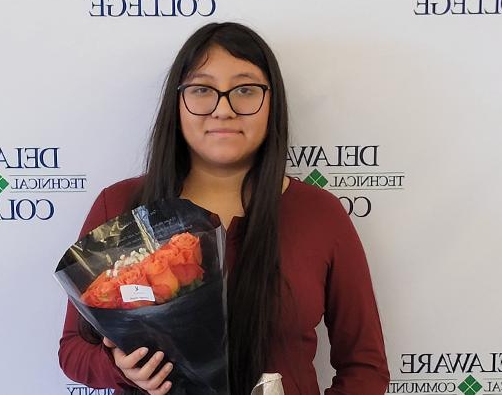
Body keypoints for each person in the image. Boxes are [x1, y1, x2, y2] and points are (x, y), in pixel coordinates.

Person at [58, 22, 390, 395]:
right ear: (177, 101)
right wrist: (119, 369)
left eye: (245, 90)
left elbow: (365, 366)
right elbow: (73, 349)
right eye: (202, 90)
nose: (223, 110)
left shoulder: (320, 215)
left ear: (272, 101)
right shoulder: (120, 206)